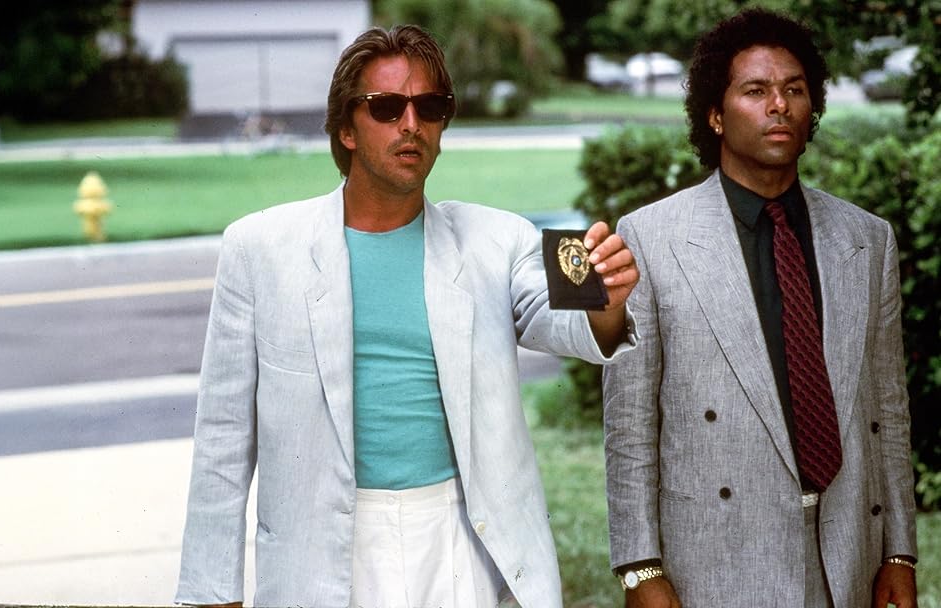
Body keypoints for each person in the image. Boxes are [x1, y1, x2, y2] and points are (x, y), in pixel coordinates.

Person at [175, 24, 639, 608]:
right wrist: (212, 594)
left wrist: (607, 304)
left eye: (430, 107)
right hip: (321, 556)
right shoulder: (259, 249)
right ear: (346, 129)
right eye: (387, 107)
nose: (411, 124)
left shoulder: (499, 239)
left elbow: (563, 322)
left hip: (460, 542)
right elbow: (222, 439)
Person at [602, 8, 918, 608]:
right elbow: (630, 424)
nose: (779, 105)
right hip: (715, 557)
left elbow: (888, 411)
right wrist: (640, 568)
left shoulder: (867, 239)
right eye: (755, 91)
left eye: (794, 90)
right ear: (715, 115)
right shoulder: (650, 238)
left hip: (848, 551)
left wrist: (899, 553)